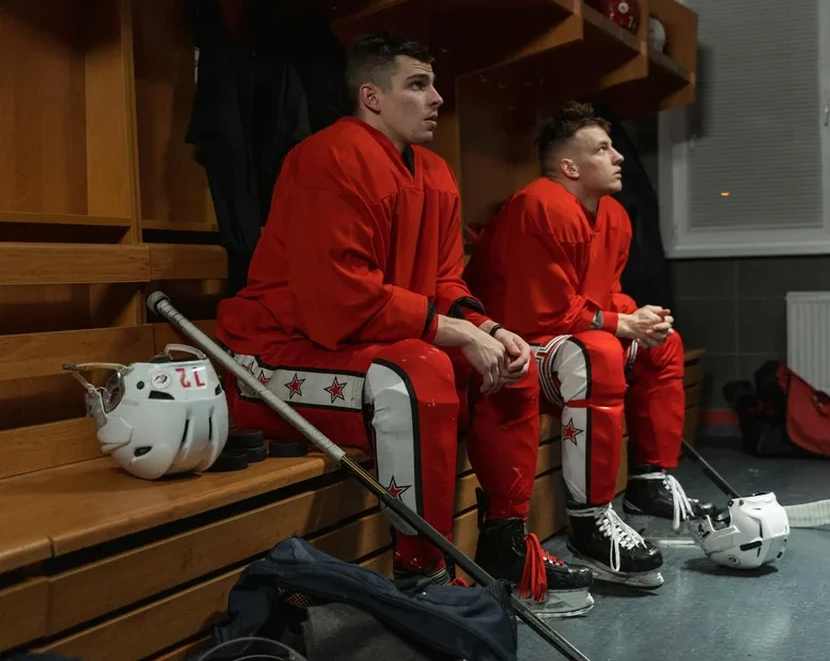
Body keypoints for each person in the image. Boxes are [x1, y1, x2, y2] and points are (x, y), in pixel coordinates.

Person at [215, 32, 594, 617]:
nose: (436, 98)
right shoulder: (326, 157)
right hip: (271, 357)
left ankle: (505, 547)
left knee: (513, 366)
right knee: (418, 373)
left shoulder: (436, 173)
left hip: (367, 346)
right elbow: (339, 299)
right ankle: (424, 577)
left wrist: (489, 330)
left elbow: (446, 282)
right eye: (417, 85)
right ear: (371, 96)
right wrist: (458, 334)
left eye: (433, 84)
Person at [465, 100, 704, 589]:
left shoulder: (613, 214)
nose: (618, 157)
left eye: (613, 147)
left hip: (561, 345)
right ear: (570, 167)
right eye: (602, 149)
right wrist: (621, 323)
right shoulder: (538, 204)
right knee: (598, 352)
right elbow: (541, 316)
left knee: (664, 344)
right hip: (510, 348)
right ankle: (590, 521)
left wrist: (639, 317)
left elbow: (600, 293)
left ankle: (647, 480)